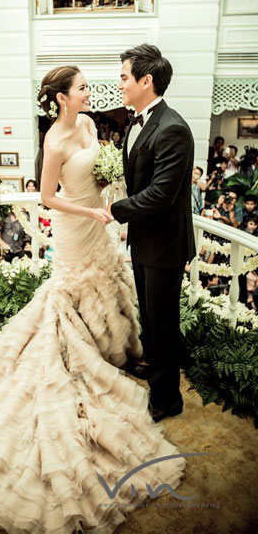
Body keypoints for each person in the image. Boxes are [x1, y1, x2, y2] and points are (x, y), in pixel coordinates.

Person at [0, 64, 186, 533]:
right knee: (71, 294)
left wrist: (107, 188)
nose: (91, 93)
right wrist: (92, 212)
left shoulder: (90, 124)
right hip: (77, 225)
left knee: (107, 283)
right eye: (82, 88)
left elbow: (100, 168)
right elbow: (48, 199)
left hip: (99, 221)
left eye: (90, 86)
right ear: (61, 98)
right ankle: (78, 356)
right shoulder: (52, 143)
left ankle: (110, 350)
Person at [108, 44, 196, 422]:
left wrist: (115, 211)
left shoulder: (173, 128)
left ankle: (167, 398)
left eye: (124, 77)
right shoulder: (138, 120)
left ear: (146, 81)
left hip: (165, 246)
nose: (120, 84)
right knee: (149, 316)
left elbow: (161, 194)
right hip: (144, 242)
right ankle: (156, 368)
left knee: (163, 322)